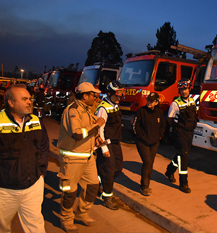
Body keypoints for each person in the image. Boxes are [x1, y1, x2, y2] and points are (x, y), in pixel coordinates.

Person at [0, 84, 50, 233]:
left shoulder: (35, 120)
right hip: (5, 190)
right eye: (24, 99)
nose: (29, 102)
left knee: (36, 226)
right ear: (11, 102)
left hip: (33, 186)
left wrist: (41, 171)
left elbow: (44, 147)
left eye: (29, 98)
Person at [57, 82, 105, 232]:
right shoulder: (73, 110)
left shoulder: (87, 110)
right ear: (85, 95)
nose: (95, 97)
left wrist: (96, 137)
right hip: (72, 158)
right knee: (70, 191)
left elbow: (88, 128)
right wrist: (96, 126)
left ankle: (82, 213)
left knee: (92, 186)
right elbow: (77, 133)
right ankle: (66, 219)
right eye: (93, 95)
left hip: (88, 156)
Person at [95, 81, 125, 209]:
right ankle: (107, 197)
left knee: (118, 167)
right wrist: (104, 148)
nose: (119, 97)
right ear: (109, 93)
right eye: (117, 95)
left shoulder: (115, 105)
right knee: (109, 170)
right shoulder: (103, 108)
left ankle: (96, 182)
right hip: (106, 144)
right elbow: (99, 130)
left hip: (116, 142)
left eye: (120, 95)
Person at [164, 78, 197, 193]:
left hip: (190, 132)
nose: (184, 91)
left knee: (181, 154)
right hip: (180, 133)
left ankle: (169, 171)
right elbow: (169, 118)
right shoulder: (175, 103)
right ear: (179, 90)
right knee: (184, 157)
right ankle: (183, 183)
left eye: (186, 89)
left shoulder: (192, 101)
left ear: (189, 88)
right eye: (182, 89)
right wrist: (175, 129)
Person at [133, 92, 166, 196]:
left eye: (151, 101)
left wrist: (159, 136)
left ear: (157, 102)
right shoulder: (141, 111)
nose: (149, 102)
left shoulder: (159, 112)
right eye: (148, 100)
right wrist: (141, 137)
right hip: (142, 142)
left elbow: (163, 125)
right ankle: (144, 186)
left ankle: (147, 183)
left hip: (154, 142)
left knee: (150, 163)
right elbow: (135, 126)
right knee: (147, 162)